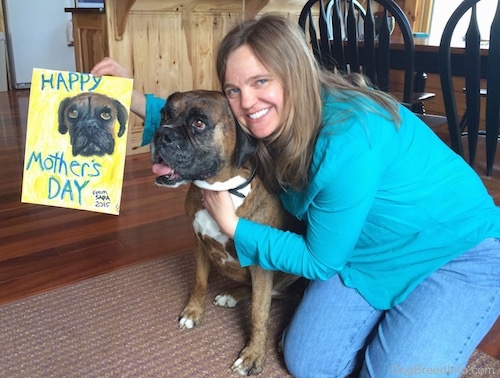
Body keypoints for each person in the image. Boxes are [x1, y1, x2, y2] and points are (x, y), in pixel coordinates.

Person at [92, 14, 500, 378]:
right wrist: (133, 98)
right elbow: (204, 122)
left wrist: (232, 225)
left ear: (296, 75)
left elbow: (319, 261)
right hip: (364, 251)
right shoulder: (265, 121)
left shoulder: (350, 139)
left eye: (261, 81)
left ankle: (418, 315)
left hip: (456, 250)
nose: (246, 102)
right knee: (308, 362)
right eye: (233, 89)